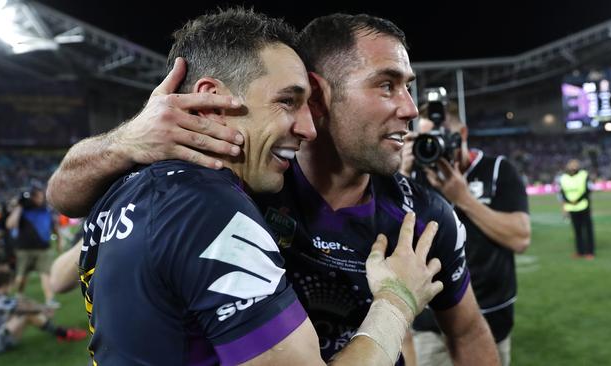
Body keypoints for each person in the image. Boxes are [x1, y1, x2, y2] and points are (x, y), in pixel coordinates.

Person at [47, 13, 500, 365]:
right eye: (386, 85)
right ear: (322, 97)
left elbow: (468, 332)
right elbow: (65, 195)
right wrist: (126, 140)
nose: (410, 109)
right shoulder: (235, 191)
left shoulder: (423, 216)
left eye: (409, 88)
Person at [401, 102, 531, 366]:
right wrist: (400, 174)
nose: (435, 146)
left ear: (461, 135)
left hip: (490, 314)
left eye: (442, 137)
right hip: (430, 320)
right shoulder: (414, 176)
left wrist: (464, 198)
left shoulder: (497, 170)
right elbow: (390, 238)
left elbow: (520, 238)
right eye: (427, 138)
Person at [0, 265, 86, 356]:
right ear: (6, 284)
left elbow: (19, 303)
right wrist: (44, 309)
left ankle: (62, 333)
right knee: (26, 314)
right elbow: (20, 307)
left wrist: (38, 307)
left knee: (24, 309)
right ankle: (63, 334)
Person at [4, 187, 60, 308]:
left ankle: (50, 299)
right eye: (38, 196)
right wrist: (19, 206)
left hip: (43, 249)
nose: (41, 198)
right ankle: (18, 296)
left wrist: (59, 241)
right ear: (32, 197)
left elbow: (53, 226)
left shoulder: (45, 210)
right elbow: (10, 224)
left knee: (46, 274)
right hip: (25, 250)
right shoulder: (23, 210)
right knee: (21, 277)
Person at [558, 159, 595, 259]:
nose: (573, 166)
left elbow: (587, 191)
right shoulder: (563, 178)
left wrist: (577, 200)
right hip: (571, 208)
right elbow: (562, 193)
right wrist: (567, 205)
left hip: (584, 206)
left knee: (588, 230)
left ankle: (590, 252)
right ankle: (580, 251)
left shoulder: (584, 175)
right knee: (577, 231)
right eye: (571, 164)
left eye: (575, 164)